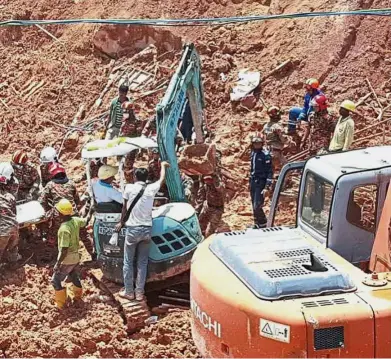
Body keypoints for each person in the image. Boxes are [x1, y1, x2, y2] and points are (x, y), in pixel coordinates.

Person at [116, 162, 170, 301]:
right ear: (146, 178)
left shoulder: (128, 188)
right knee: (142, 262)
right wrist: (163, 166)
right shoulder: (151, 188)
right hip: (146, 229)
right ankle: (139, 293)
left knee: (128, 262)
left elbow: (124, 208)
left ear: (135, 176)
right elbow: (161, 179)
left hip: (132, 229)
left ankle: (129, 291)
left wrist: (121, 223)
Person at [39, 163, 94, 259]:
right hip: (73, 213)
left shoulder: (50, 185)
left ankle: (48, 256)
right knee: (84, 234)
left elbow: (41, 201)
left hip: (59, 214)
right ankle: (93, 254)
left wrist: (49, 211)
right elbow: (77, 200)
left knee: (52, 234)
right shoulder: (71, 183)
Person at [51, 199, 91, 309]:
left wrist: (58, 263)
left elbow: (64, 249)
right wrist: (90, 209)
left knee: (55, 281)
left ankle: (61, 305)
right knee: (73, 275)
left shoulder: (64, 229)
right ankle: (77, 297)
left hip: (67, 259)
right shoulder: (75, 220)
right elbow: (86, 221)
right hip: (75, 257)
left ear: (60, 213)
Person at [249, 133, 273, 228]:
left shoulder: (265, 155)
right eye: (255, 143)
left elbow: (270, 172)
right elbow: (252, 169)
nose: (256, 145)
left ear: (262, 143)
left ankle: (263, 223)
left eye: (258, 143)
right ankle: (257, 223)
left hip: (261, 182)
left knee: (257, 205)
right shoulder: (253, 153)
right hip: (253, 182)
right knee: (253, 205)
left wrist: (267, 186)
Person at [0, 162, 20, 265]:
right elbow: (14, 212)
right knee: (13, 245)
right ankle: (13, 260)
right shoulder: (10, 197)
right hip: (13, 227)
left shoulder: (13, 184)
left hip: (2, 231)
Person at [197, 174, 225, 238]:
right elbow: (201, 196)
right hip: (207, 206)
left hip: (217, 210)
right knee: (199, 225)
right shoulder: (206, 185)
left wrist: (215, 178)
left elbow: (220, 188)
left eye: (208, 179)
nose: (206, 181)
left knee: (209, 232)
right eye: (205, 180)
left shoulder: (219, 185)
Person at [262, 106, 287, 175]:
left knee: (270, 171)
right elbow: (284, 139)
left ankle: (270, 184)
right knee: (287, 169)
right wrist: (291, 143)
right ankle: (282, 184)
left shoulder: (266, 126)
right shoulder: (277, 126)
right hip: (275, 153)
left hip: (267, 152)